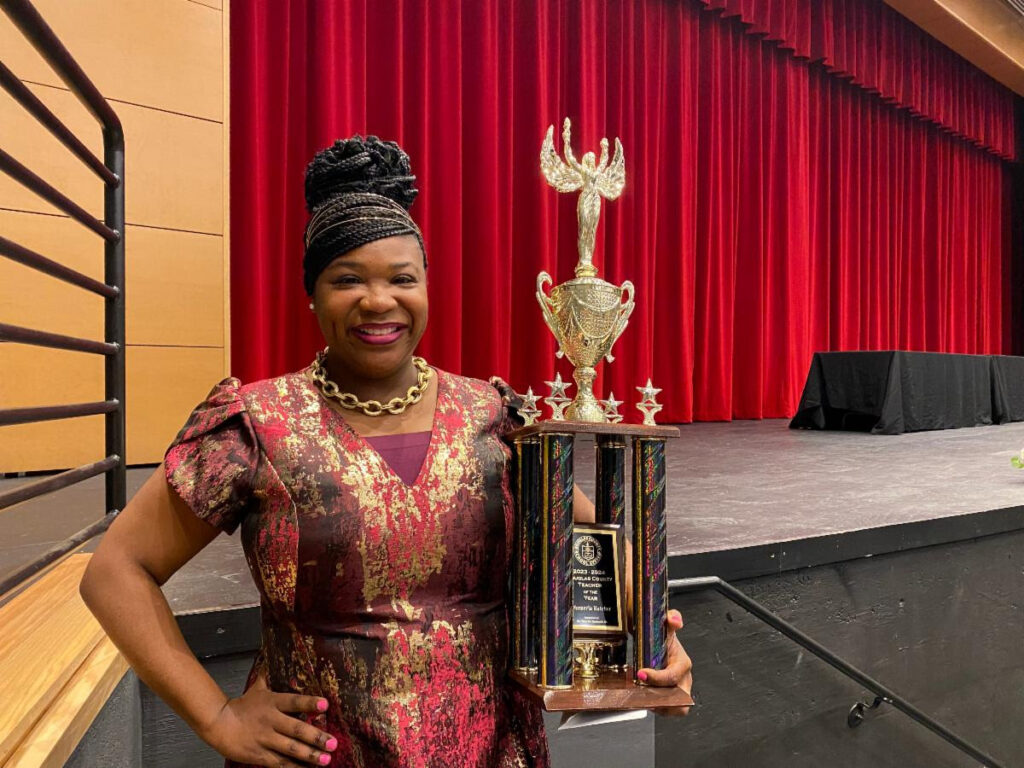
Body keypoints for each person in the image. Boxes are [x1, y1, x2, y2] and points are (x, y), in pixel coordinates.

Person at [80, 135, 693, 768]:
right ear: (312, 293)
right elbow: (115, 571)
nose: (379, 302)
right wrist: (216, 718)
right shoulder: (258, 424)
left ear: (426, 287)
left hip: (492, 751)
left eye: (402, 279)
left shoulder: (494, 419)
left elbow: (592, 553)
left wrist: (650, 647)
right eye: (348, 280)